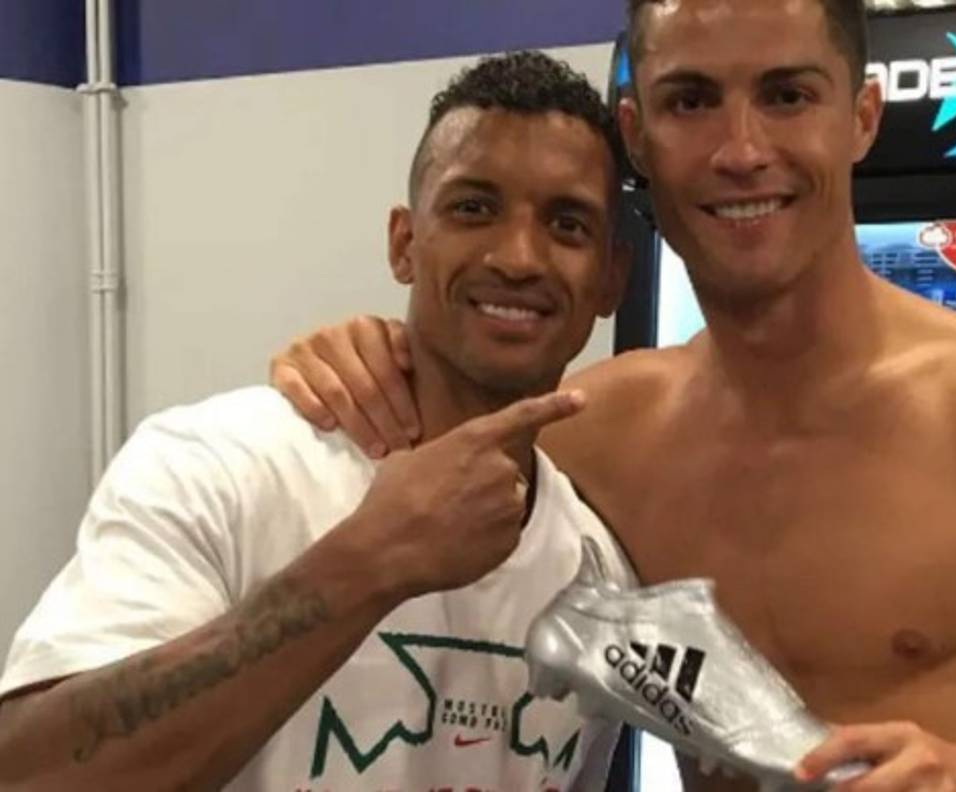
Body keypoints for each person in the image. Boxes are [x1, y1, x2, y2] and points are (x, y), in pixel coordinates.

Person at [271, 1, 956, 789]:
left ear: (859, 117)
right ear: (638, 135)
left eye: (786, 96)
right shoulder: (599, 432)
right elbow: (436, 429)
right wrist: (364, 354)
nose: (741, 149)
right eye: (692, 101)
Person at [0, 51, 634, 791]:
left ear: (611, 279)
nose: (519, 257)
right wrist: (367, 563)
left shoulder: (599, 573)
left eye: (567, 224)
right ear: (403, 243)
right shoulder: (219, 466)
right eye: (473, 207)